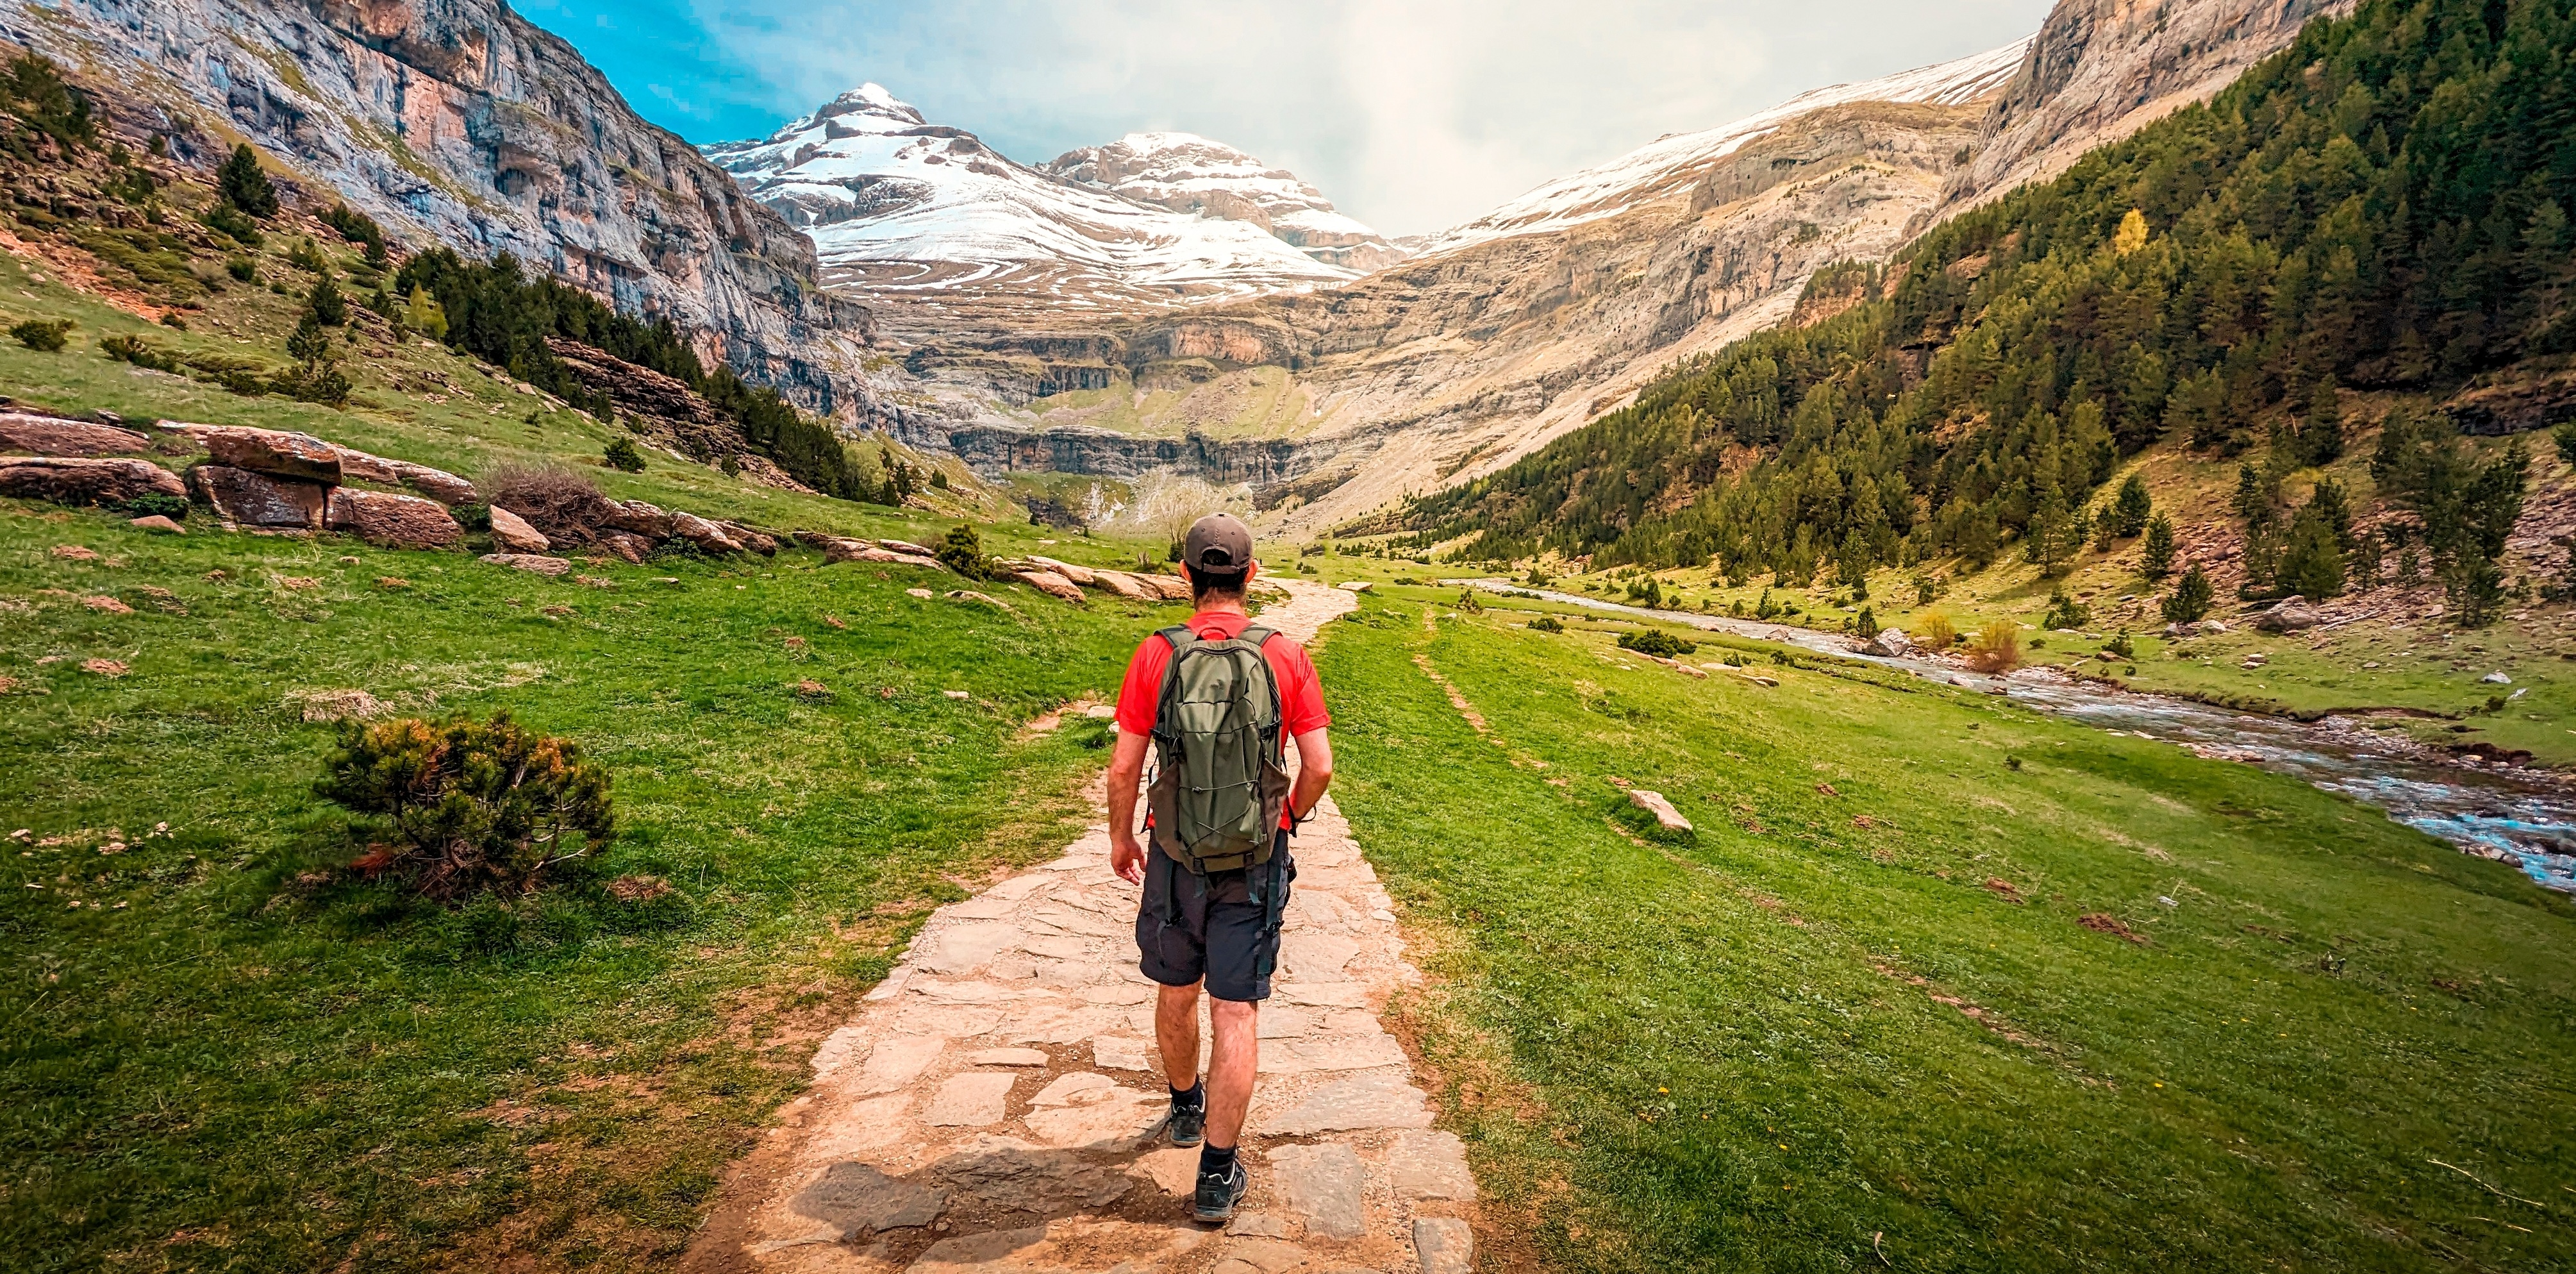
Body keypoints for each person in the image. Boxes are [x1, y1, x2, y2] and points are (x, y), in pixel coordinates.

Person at [1108, 512, 1334, 1223]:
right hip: (1255, 859)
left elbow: (1123, 768)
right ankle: (1214, 1174)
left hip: (1174, 855)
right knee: (1235, 1010)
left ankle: (1183, 1110)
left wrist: (1122, 839)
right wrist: (1286, 816)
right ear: (1251, 574)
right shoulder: (1284, 653)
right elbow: (1319, 766)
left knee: (1176, 989)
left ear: (1184, 576)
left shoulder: (1156, 653)